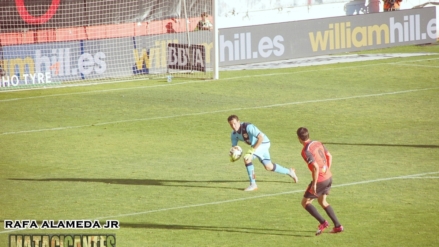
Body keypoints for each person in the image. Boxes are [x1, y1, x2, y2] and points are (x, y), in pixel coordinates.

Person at [227, 115, 298, 191]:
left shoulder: (248, 127)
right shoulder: (234, 134)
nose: (233, 126)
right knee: (269, 167)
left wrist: (252, 151)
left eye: (235, 123)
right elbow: (234, 148)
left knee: (247, 158)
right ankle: (289, 171)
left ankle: (253, 184)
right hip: (256, 146)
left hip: (263, 143)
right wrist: (233, 157)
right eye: (231, 124)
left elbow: (261, 138)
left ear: (238, 122)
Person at [296, 127, 343, 235]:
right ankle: (338, 226)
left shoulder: (306, 151)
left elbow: (316, 167)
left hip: (320, 180)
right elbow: (329, 156)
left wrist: (315, 183)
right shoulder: (317, 143)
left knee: (305, 202)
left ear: (299, 138)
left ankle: (323, 222)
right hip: (328, 177)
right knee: (322, 201)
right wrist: (327, 169)